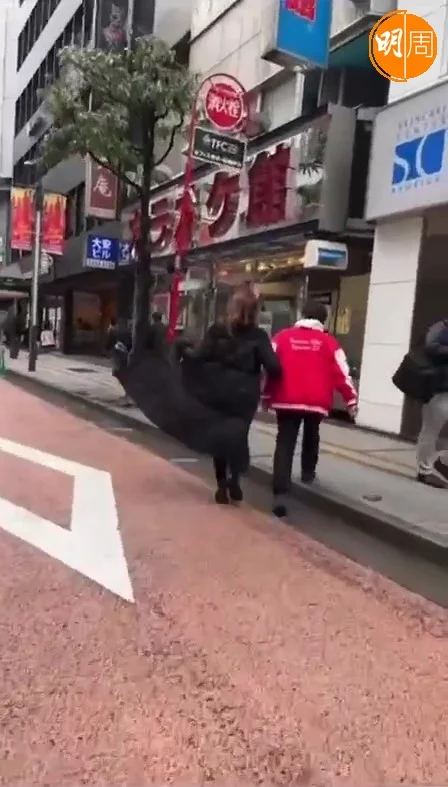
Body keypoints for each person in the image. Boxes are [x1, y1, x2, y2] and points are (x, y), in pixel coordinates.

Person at [183, 284, 281, 505]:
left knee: (221, 436)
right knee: (238, 435)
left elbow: (198, 356)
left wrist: (183, 350)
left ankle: (221, 485)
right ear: (255, 312)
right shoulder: (258, 336)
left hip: (218, 391)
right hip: (245, 394)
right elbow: (274, 367)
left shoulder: (216, 331)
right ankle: (234, 479)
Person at [263, 299, 358, 518]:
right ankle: (307, 472)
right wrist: (351, 400)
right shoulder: (329, 342)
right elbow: (342, 373)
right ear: (323, 319)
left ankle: (281, 493)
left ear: (302, 315)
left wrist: (266, 395)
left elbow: (269, 368)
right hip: (316, 399)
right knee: (312, 433)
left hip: (286, 398)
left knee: (285, 441)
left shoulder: (283, 337)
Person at [416, 319, 448, 487]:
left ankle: (442, 463)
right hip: (438, 389)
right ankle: (424, 471)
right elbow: (431, 347)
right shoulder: (441, 327)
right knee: (431, 431)